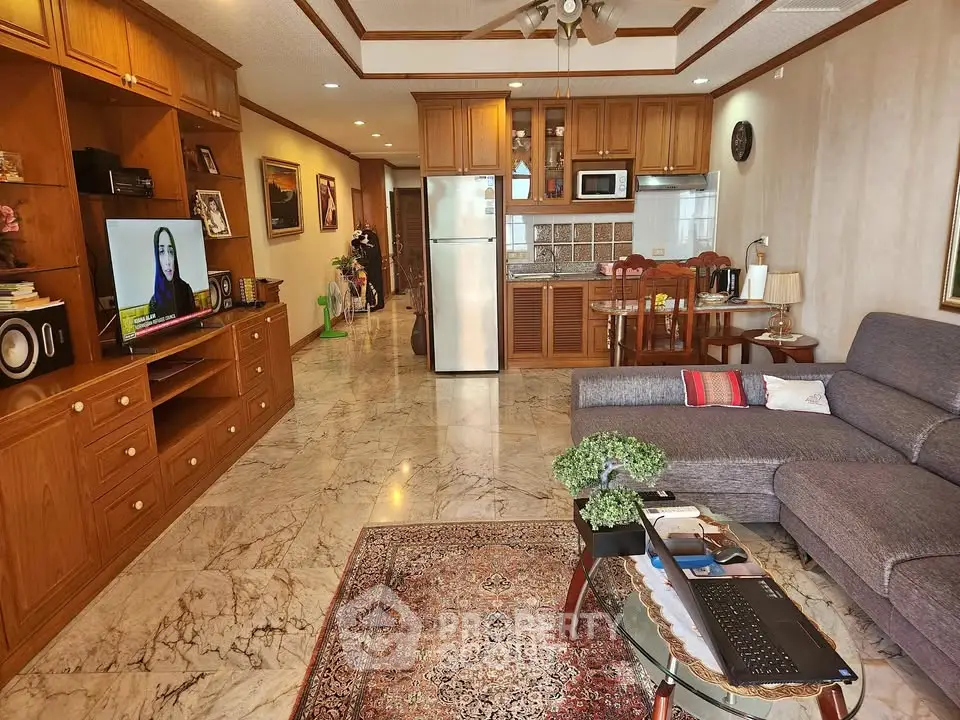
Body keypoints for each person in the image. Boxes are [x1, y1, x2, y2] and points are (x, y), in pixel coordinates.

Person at [149, 227, 196, 319]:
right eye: (161, 252)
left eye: (171, 252)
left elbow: (194, 324)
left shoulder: (186, 289)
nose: (168, 261)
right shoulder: (154, 302)